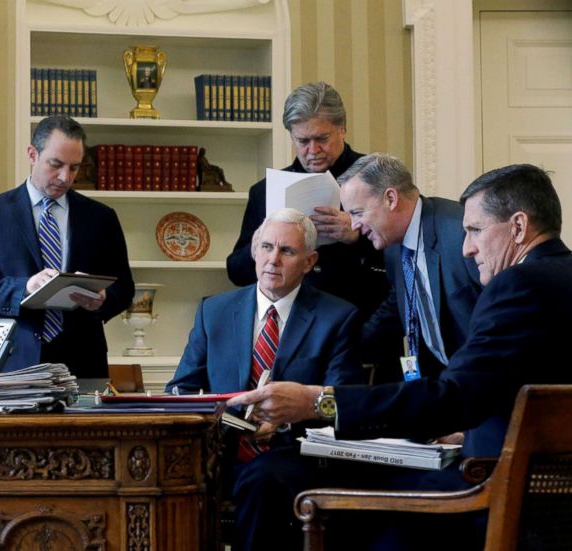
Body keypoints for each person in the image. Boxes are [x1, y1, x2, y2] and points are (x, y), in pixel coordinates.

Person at [231, 163, 571, 550]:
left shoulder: (517, 284)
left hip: (498, 490)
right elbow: (498, 386)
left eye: (475, 230)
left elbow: (453, 395)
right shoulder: (558, 276)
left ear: (519, 227)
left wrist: (318, 401)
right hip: (537, 485)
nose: (467, 247)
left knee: (350, 518)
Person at [165, 208, 366, 550]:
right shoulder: (213, 311)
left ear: (309, 261)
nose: (273, 259)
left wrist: (287, 418)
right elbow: (181, 388)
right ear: (254, 251)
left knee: (261, 478)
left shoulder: (338, 317)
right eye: (267, 247)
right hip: (221, 449)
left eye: (287, 251)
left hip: (296, 453)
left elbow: (341, 403)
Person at [0, 115, 134, 377]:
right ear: (32, 155)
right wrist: (25, 287)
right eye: (56, 164)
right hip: (12, 361)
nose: (65, 177)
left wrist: (103, 299)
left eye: (74, 168)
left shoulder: (101, 217)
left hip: (83, 362)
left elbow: (125, 287)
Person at [226, 82, 388, 322]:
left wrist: (357, 237)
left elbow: (409, 258)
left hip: (363, 324)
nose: (313, 150)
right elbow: (236, 273)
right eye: (302, 141)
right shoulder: (264, 191)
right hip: (288, 330)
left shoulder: (380, 177)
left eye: (322, 138)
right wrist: (257, 249)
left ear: (342, 129)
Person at [340, 153, 482, 378]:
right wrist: (343, 347)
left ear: (390, 199)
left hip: (487, 381)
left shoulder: (460, 233)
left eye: (357, 213)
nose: (354, 225)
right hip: (442, 380)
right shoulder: (393, 244)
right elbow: (399, 302)